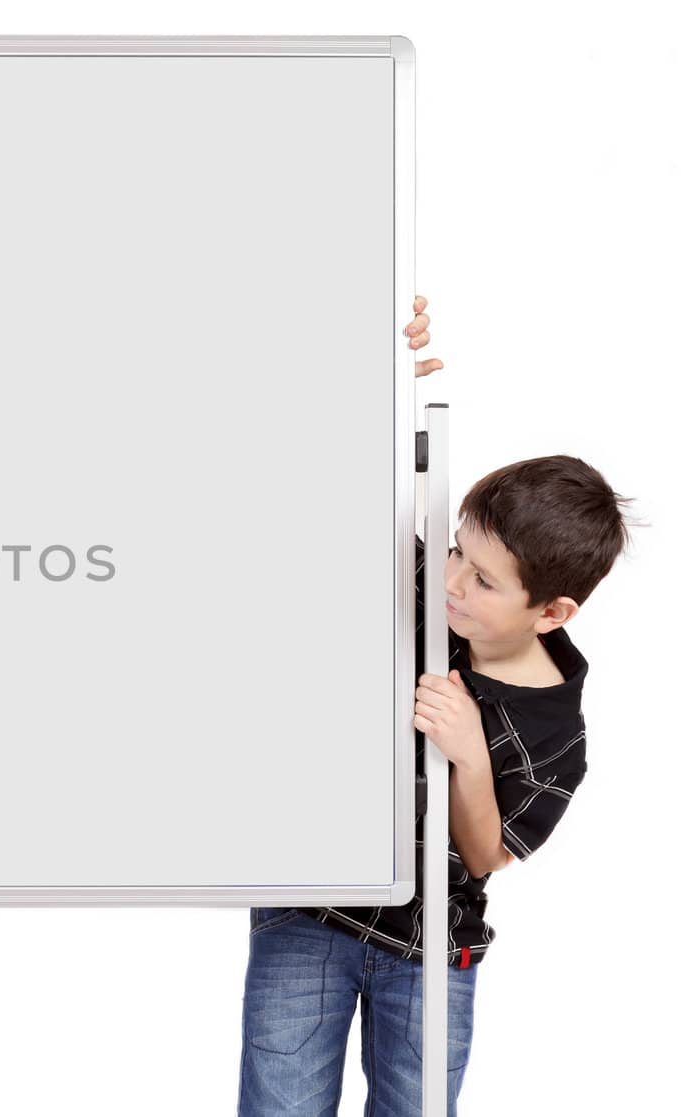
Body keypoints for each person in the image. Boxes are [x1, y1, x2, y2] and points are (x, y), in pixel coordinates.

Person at [236, 297, 640, 1116]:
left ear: (551, 612)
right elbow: (331, 481)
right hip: (313, 910)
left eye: (484, 580)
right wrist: (379, 374)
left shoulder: (558, 729)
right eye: (457, 548)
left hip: (431, 947)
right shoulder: (427, 593)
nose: (453, 580)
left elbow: (486, 854)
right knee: (279, 1103)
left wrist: (469, 753)